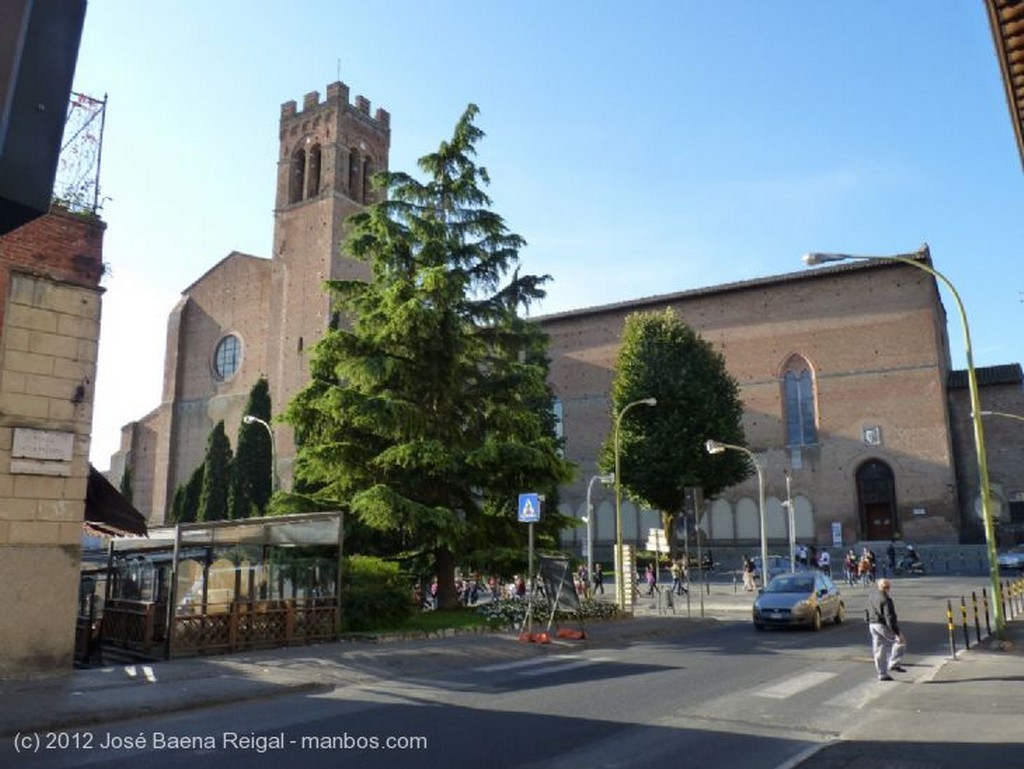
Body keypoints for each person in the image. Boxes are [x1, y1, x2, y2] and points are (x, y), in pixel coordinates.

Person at [866, 578, 907, 681]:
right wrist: (897, 632)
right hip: (882, 625)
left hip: (872, 624)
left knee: (879, 650)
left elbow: (867, 609)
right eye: (887, 587)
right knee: (900, 642)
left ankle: (882, 673)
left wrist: (868, 620)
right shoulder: (886, 600)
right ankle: (893, 662)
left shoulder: (872, 595)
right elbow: (889, 617)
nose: (888, 589)